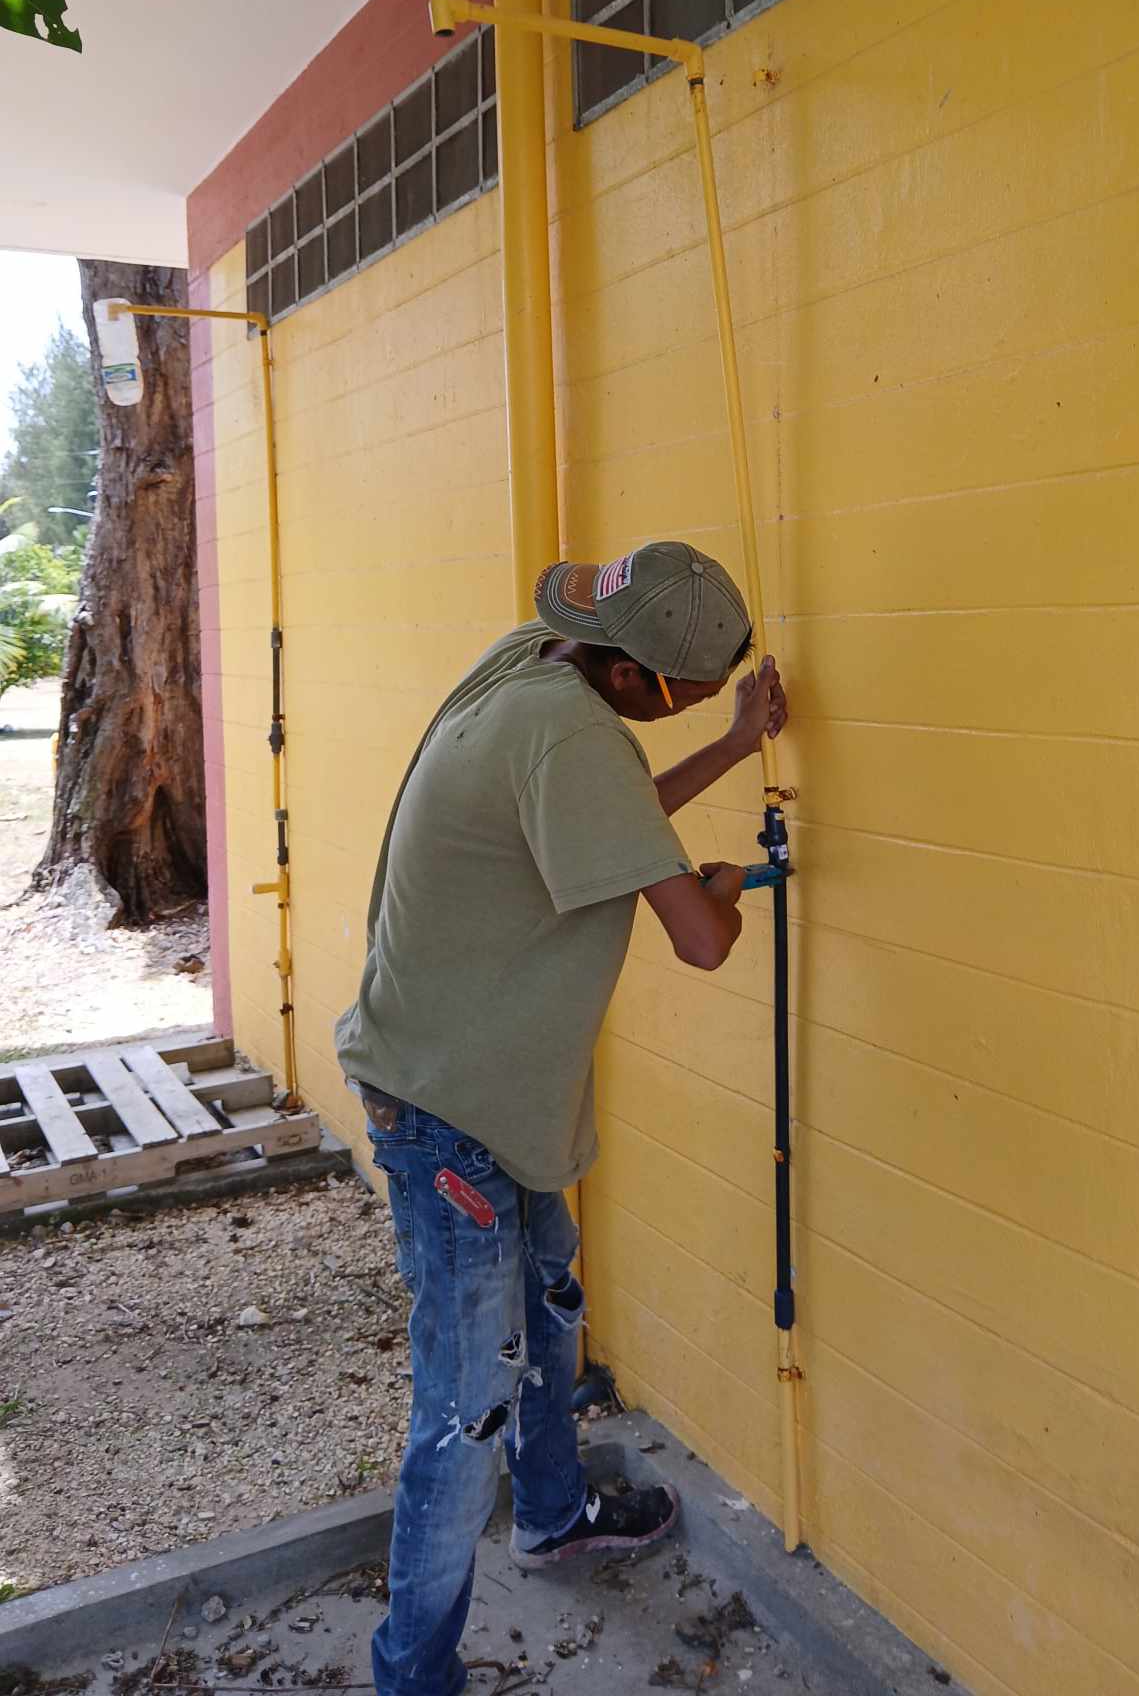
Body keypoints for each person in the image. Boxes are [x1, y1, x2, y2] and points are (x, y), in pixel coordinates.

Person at [334, 539, 788, 1696]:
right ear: (632, 679)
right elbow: (699, 937)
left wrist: (734, 740)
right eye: (683, 696)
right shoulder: (574, 734)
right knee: (460, 1413)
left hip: (472, 1076)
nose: (682, 708)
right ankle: (414, 1680)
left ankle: (556, 1513)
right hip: (453, 1112)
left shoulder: (534, 662)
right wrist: (722, 888)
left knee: (546, 1305)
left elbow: (605, 821)